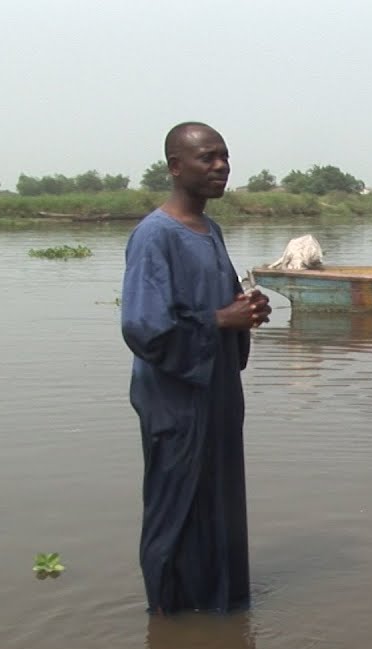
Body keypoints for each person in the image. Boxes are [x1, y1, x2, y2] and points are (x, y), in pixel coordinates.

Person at [121, 122, 272, 615]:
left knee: (220, 506)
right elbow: (145, 329)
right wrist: (220, 319)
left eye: (225, 157)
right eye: (207, 157)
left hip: (218, 392)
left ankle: (219, 614)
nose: (221, 166)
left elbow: (220, 307)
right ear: (175, 166)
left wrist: (245, 310)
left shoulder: (211, 231)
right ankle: (170, 618)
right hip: (176, 402)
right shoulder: (154, 236)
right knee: (176, 510)